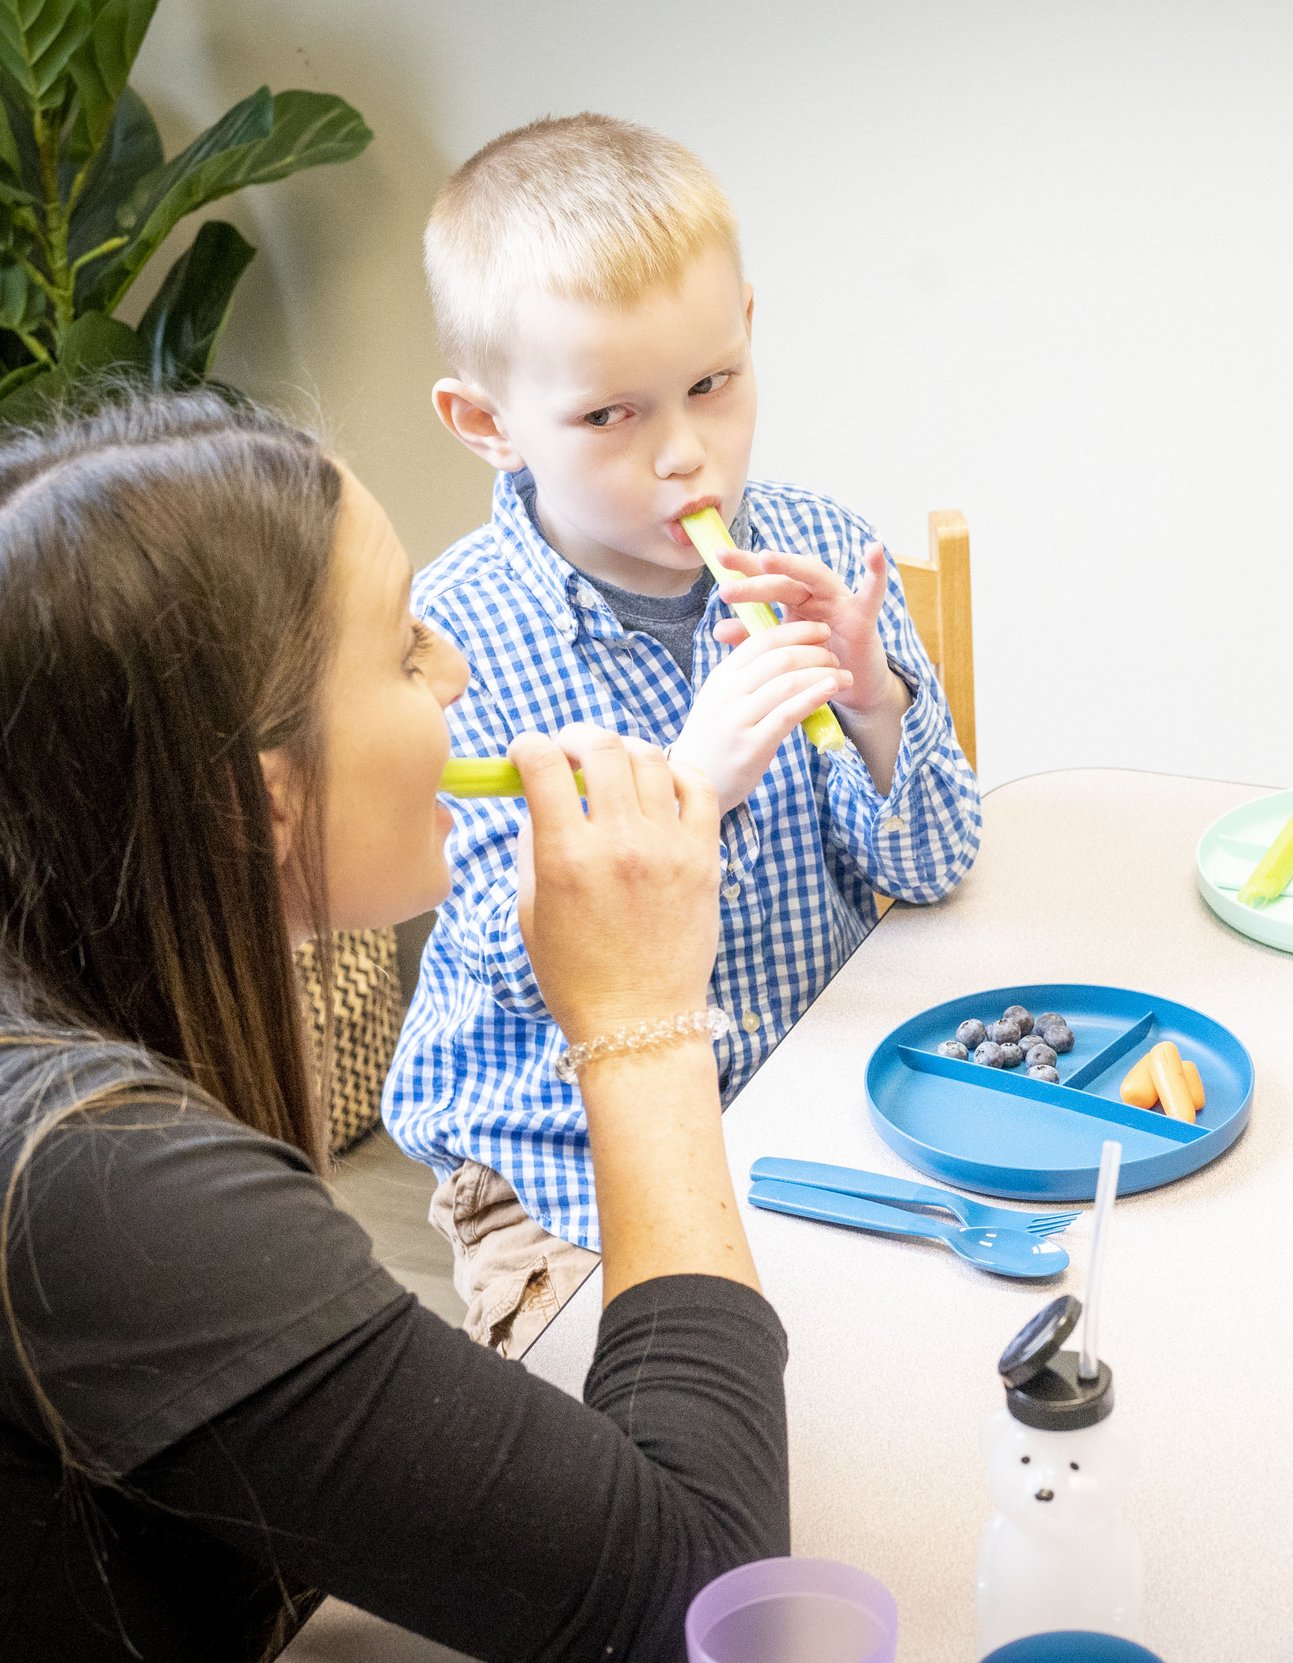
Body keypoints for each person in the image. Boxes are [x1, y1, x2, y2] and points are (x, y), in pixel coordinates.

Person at [0, 392, 789, 1661]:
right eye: (406, 649)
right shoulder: (93, 1176)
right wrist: (641, 1019)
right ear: (260, 800)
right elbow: (702, 1601)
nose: (457, 669)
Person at [384, 113, 983, 1354]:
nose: (683, 455)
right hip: (559, 1170)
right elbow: (512, 962)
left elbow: (933, 866)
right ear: (487, 422)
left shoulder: (814, 546)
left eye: (713, 384)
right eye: (610, 416)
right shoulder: (446, 640)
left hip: (808, 1092)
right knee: (630, 1464)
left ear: (749, 333)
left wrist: (874, 705)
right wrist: (686, 791)